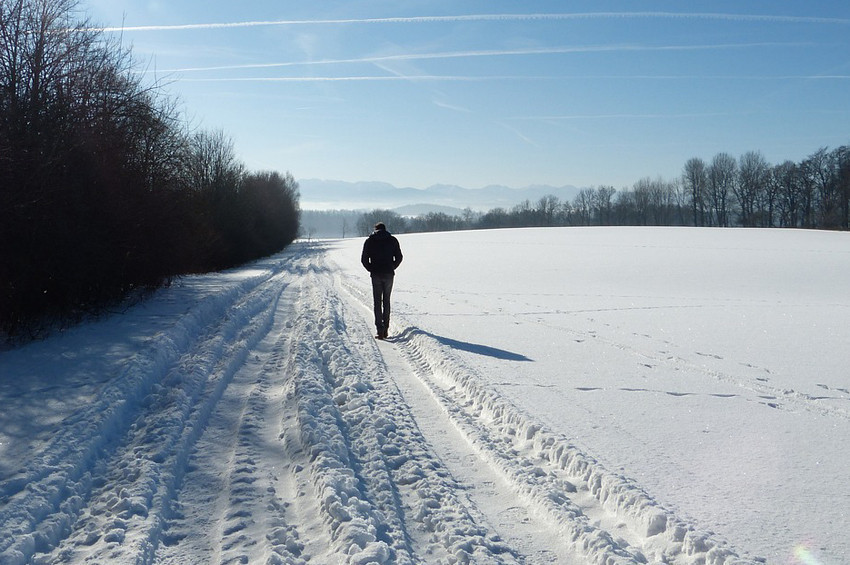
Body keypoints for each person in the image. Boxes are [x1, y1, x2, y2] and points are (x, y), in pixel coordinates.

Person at [360, 222, 403, 339]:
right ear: (385, 229)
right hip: (389, 274)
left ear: (375, 229)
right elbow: (399, 257)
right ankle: (386, 329)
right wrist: (392, 267)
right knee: (386, 301)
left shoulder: (370, 241)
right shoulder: (392, 240)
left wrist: (371, 269)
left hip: (376, 274)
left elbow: (364, 259)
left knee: (377, 302)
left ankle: (380, 330)